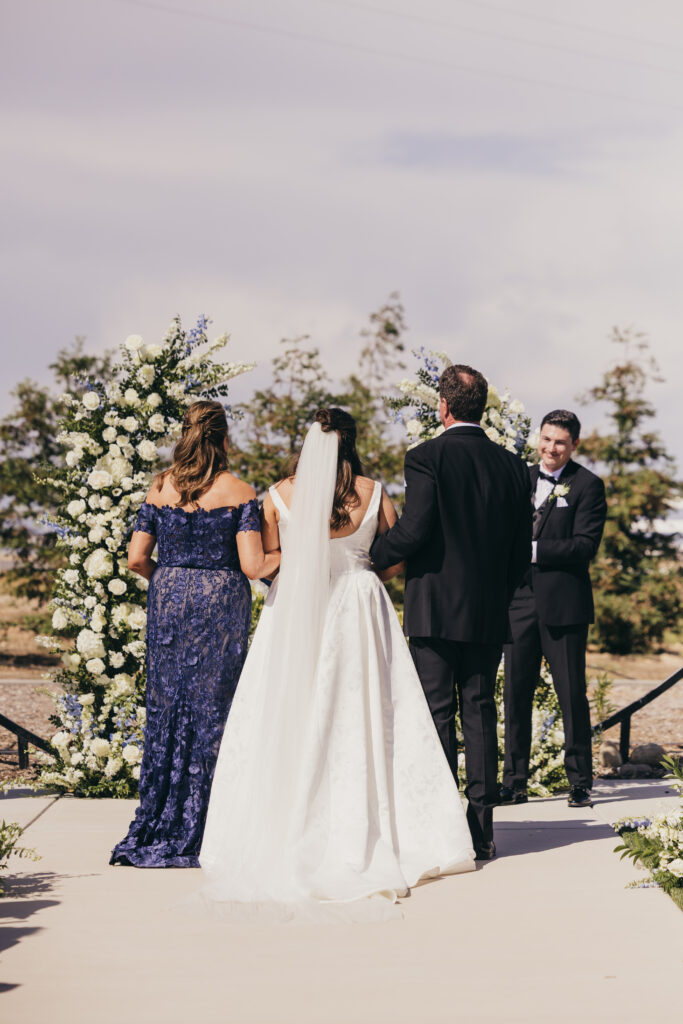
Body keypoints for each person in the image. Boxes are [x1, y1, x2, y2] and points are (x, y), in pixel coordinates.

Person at [199, 408, 475, 922]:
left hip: (297, 608)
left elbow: (264, 560)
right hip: (358, 606)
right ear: (352, 442)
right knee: (364, 713)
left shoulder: (278, 495)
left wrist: (306, 564)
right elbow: (395, 558)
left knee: (290, 709)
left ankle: (286, 825)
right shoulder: (373, 492)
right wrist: (357, 564)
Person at [370, 365, 531, 860]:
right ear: (481, 407)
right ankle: (482, 830)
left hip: (435, 605)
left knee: (438, 713)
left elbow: (415, 530)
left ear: (442, 407)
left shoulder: (425, 457)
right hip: (486, 609)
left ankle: (443, 831)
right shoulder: (512, 466)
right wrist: (497, 595)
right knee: (480, 713)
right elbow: (520, 550)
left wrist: (370, 554)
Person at [110, 401, 280, 867]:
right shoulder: (240, 491)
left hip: (168, 597)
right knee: (215, 709)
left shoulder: (161, 487)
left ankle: (158, 816)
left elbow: (136, 558)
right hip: (220, 601)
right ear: (224, 439)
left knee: (168, 706)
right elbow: (253, 564)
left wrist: (173, 579)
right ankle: (208, 823)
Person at [500, 409, 607, 809]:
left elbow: (584, 546)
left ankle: (580, 782)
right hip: (519, 604)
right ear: (538, 438)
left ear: (574, 445)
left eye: (560, 442)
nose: (551, 448)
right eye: (546, 439)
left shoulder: (589, 486)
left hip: (565, 607)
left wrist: (531, 550)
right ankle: (514, 782)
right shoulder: (520, 478)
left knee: (572, 696)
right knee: (515, 696)